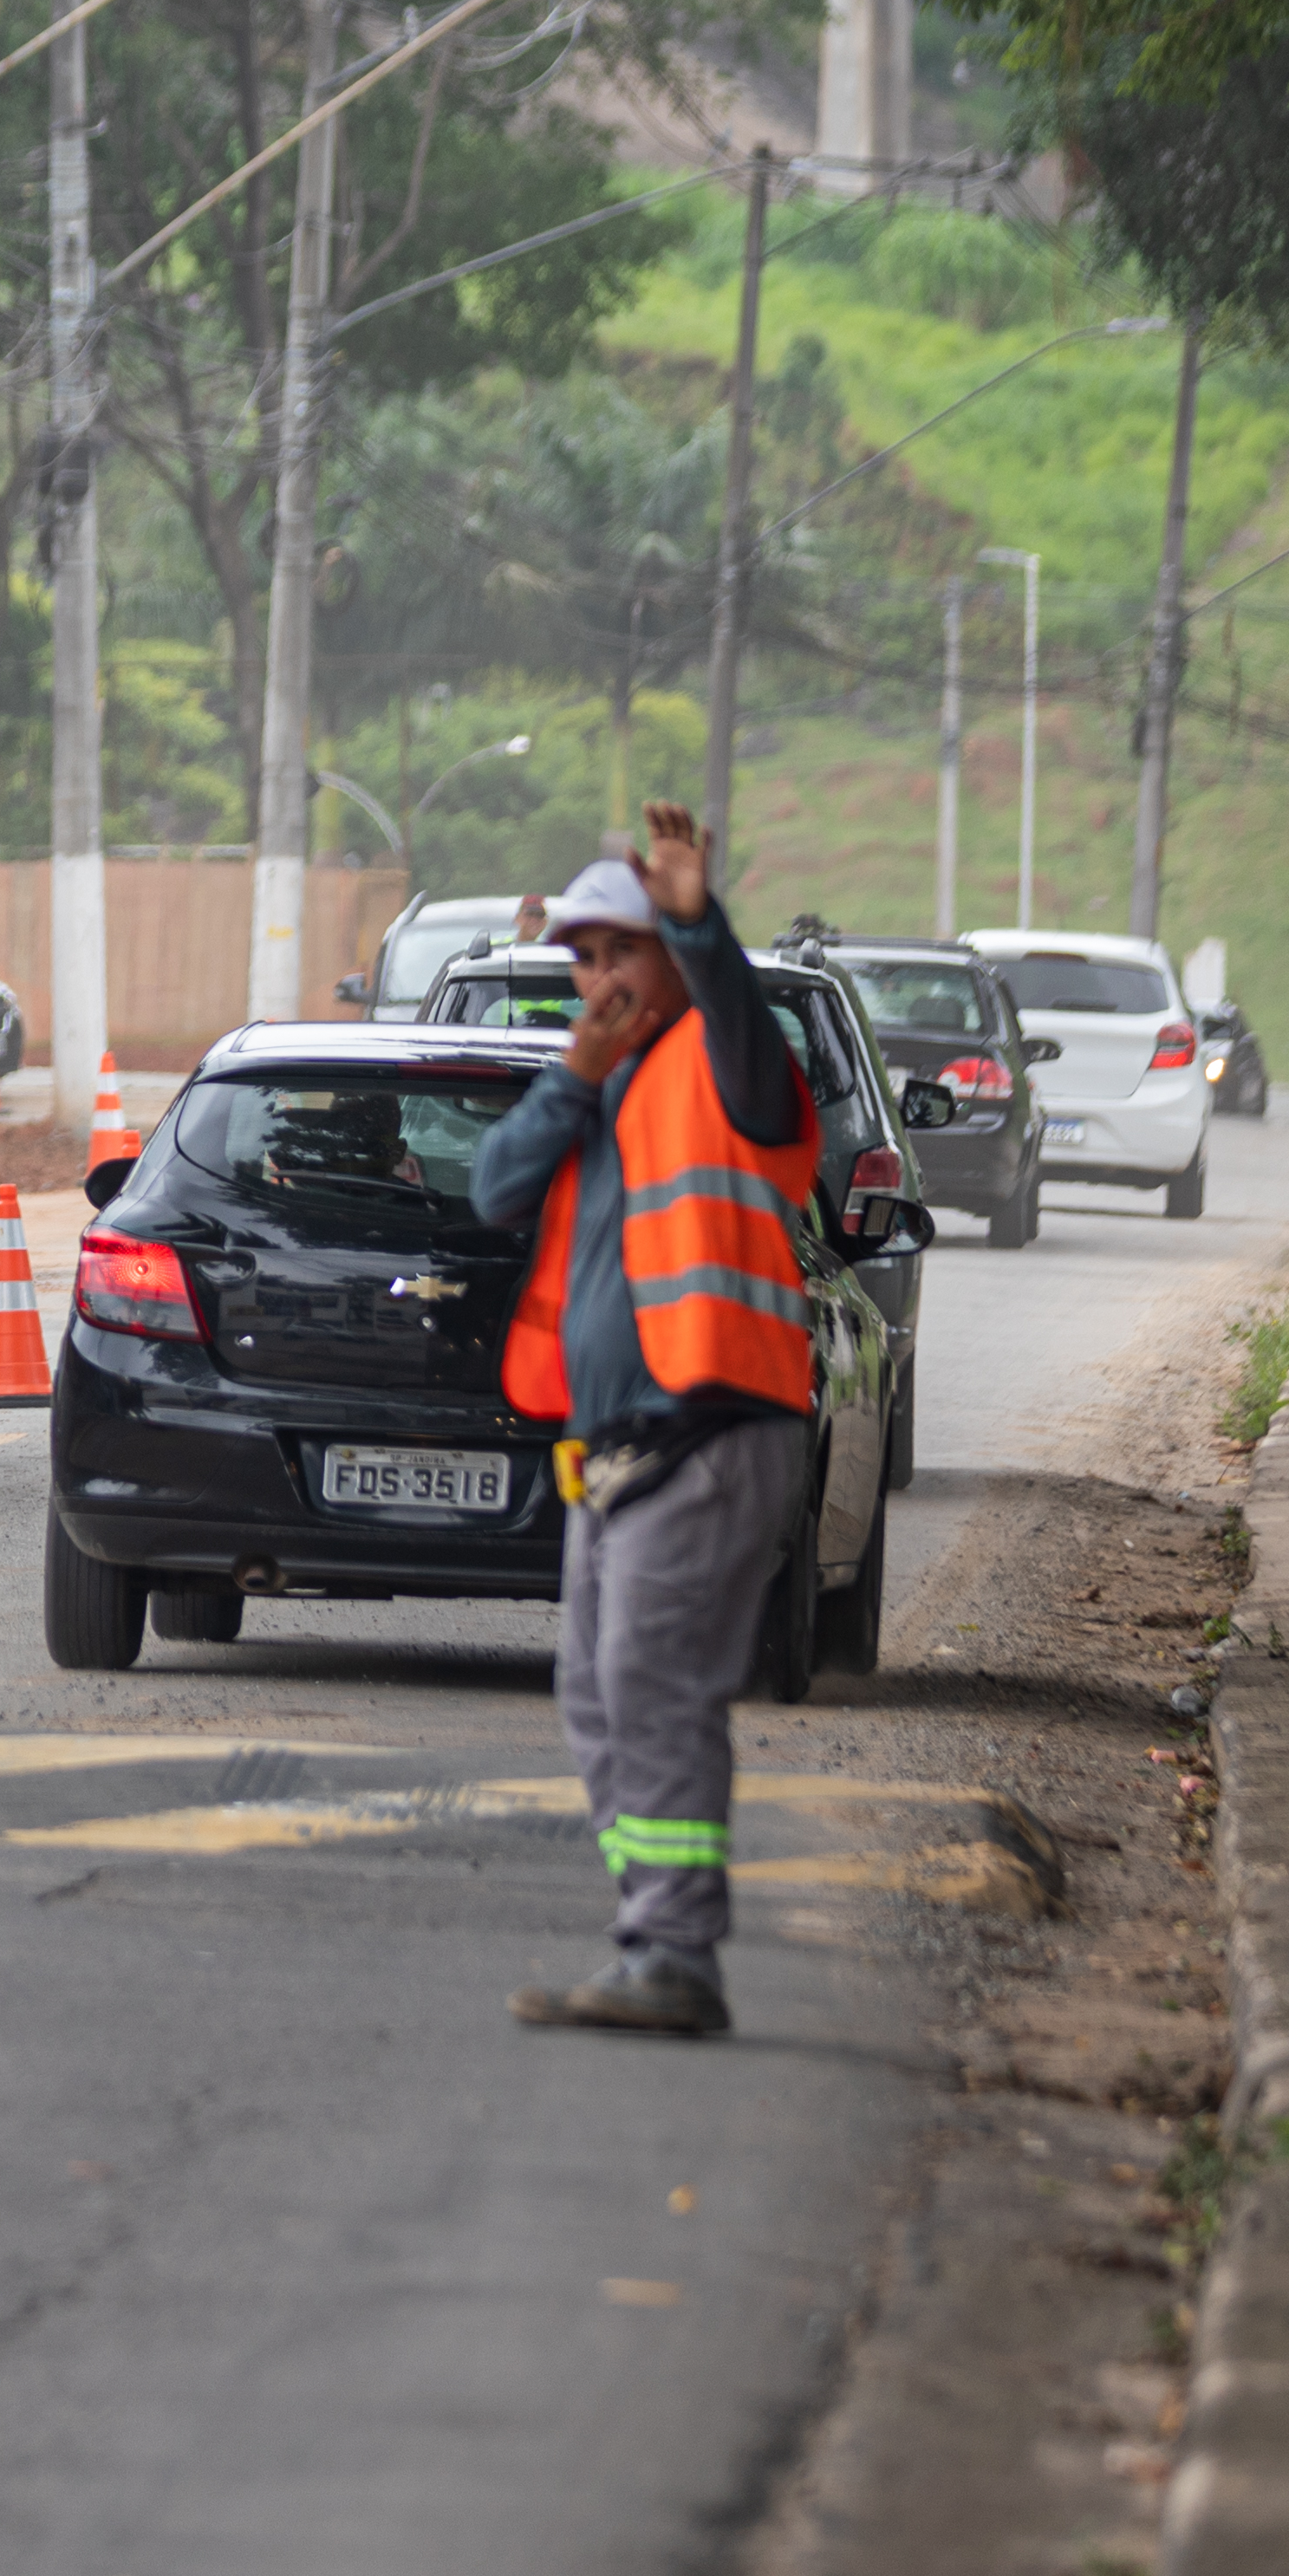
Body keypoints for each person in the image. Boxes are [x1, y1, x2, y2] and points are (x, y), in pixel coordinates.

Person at [472, 803, 820, 2041]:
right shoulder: (596, 1088)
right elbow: (495, 1187)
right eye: (586, 958)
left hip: (716, 1422)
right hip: (614, 1448)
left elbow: (739, 1021)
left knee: (653, 1682)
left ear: (672, 960)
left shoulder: (728, 1065)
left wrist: (698, 922)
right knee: (597, 1694)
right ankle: (652, 1936)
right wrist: (573, 1076)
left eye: (625, 951)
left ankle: (676, 1951)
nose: (602, 978)